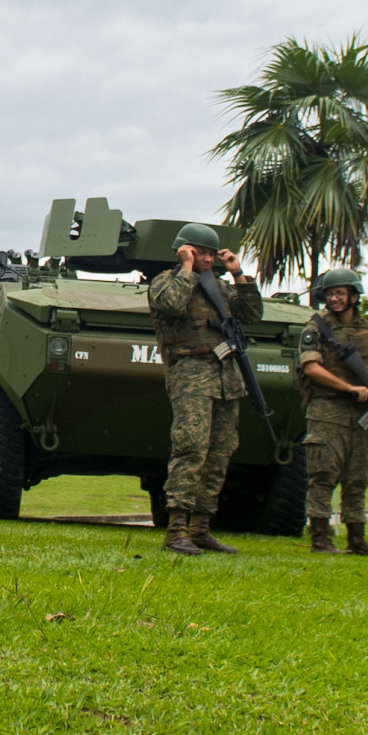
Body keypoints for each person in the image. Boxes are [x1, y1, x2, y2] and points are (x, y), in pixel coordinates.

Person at [147, 222, 264, 556]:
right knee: (191, 447)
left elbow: (252, 313)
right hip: (190, 373)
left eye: (212, 253)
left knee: (220, 451)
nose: (208, 259)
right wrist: (186, 269)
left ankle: (200, 528)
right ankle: (176, 529)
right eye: (200, 253)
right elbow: (172, 305)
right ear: (184, 251)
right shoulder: (165, 282)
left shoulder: (220, 287)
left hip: (226, 376)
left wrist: (238, 273)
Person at [296, 267, 368, 556]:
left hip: (363, 413)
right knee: (324, 474)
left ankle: (357, 539)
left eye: (340, 293)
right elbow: (311, 368)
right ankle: (320, 538)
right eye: (330, 294)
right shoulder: (316, 328)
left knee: (357, 476)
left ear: (354, 296)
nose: (334, 299)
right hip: (328, 410)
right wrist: (349, 388)